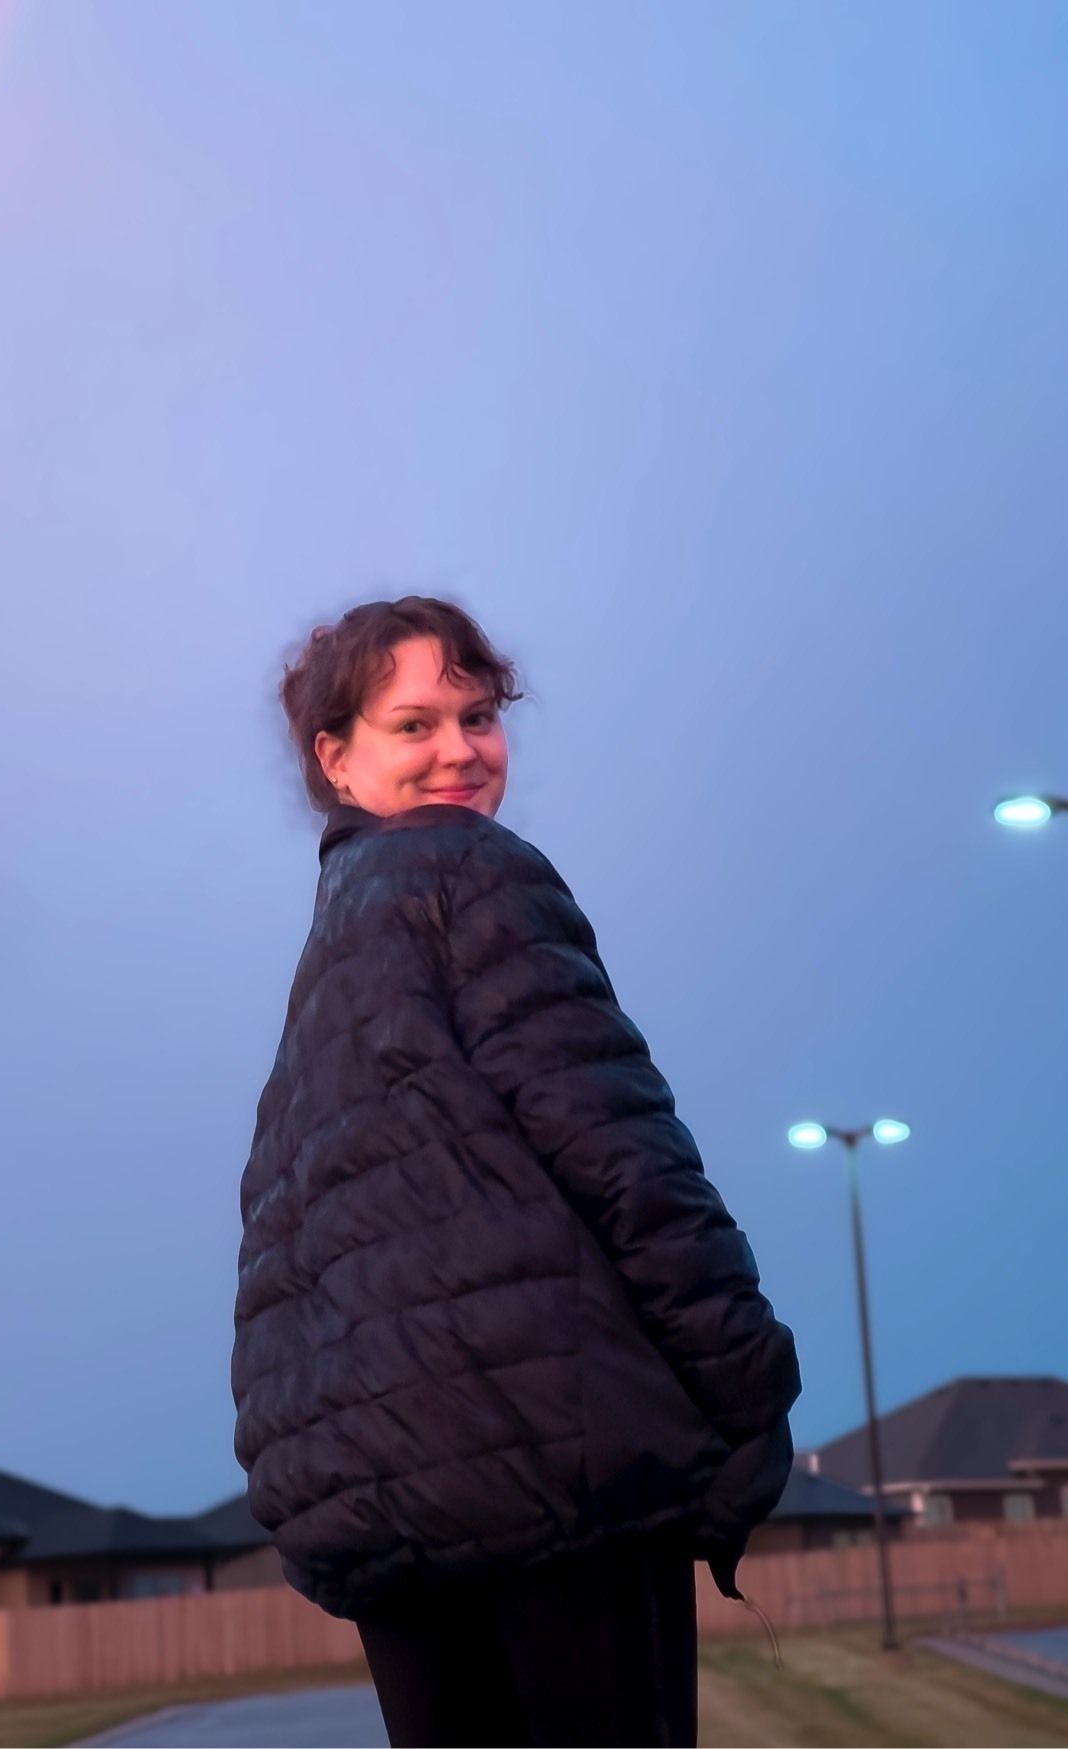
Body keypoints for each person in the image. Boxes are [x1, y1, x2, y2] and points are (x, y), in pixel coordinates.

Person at [232, 597, 801, 1748]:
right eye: (414, 723)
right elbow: (618, 1149)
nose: (459, 748)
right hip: (557, 1474)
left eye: (479, 714)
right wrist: (749, 1387)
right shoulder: (474, 875)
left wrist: (315, 1489)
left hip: (387, 1509)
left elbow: (283, 1265)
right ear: (335, 758)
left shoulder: (332, 953)